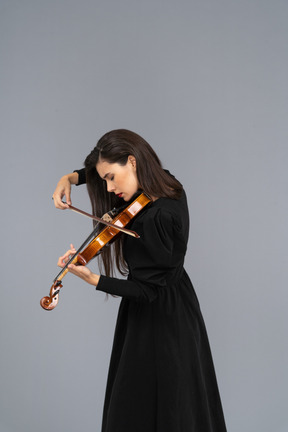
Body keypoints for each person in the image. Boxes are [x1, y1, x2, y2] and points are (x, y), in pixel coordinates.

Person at [53, 129, 227, 432]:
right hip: (168, 306)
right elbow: (98, 172)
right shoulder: (167, 183)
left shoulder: (157, 218)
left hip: (163, 319)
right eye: (103, 179)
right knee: (146, 403)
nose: (108, 188)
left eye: (111, 177)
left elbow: (147, 291)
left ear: (132, 162)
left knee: (158, 406)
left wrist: (93, 278)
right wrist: (68, 179)